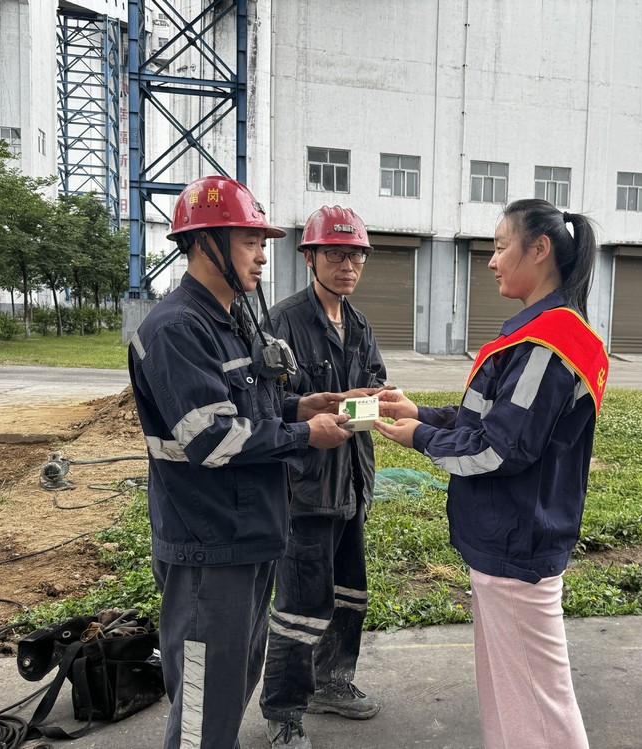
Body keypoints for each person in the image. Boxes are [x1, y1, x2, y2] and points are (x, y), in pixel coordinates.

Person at [128, 176, 354, 749]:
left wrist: (299, 406)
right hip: (209, 545)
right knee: (205, 701)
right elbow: (211, 439)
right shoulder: (177, 328)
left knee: (231, 685)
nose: (261, 255)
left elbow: (244, 407)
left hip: (248, 535)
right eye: (250, 242)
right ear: (206, 244)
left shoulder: (230, 321)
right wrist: (305, 434)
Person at [375, 198, 609, 749]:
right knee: (511, 695)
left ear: (539, 249)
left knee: (539, 707)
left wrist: (420, 437)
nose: (492, 261)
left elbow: (501, 450)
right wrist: (420, 413)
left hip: (516, 543)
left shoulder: (548, 343)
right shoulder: (539, 335)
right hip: (508, 538)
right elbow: (488, 421)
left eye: (501, 247)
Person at [259, 206, 386, 749]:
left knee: (348, 594)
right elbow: (265, 406)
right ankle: (283, 711)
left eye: (356, 255)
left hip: (351, 481)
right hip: (305, 489)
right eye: (335, 254)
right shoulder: (282, 324)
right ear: (310, 257)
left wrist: (367, 402)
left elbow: (375, 388)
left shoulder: (359, 324)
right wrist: (322, 408)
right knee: (300, 608)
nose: (348, 265)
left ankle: (332, 682)